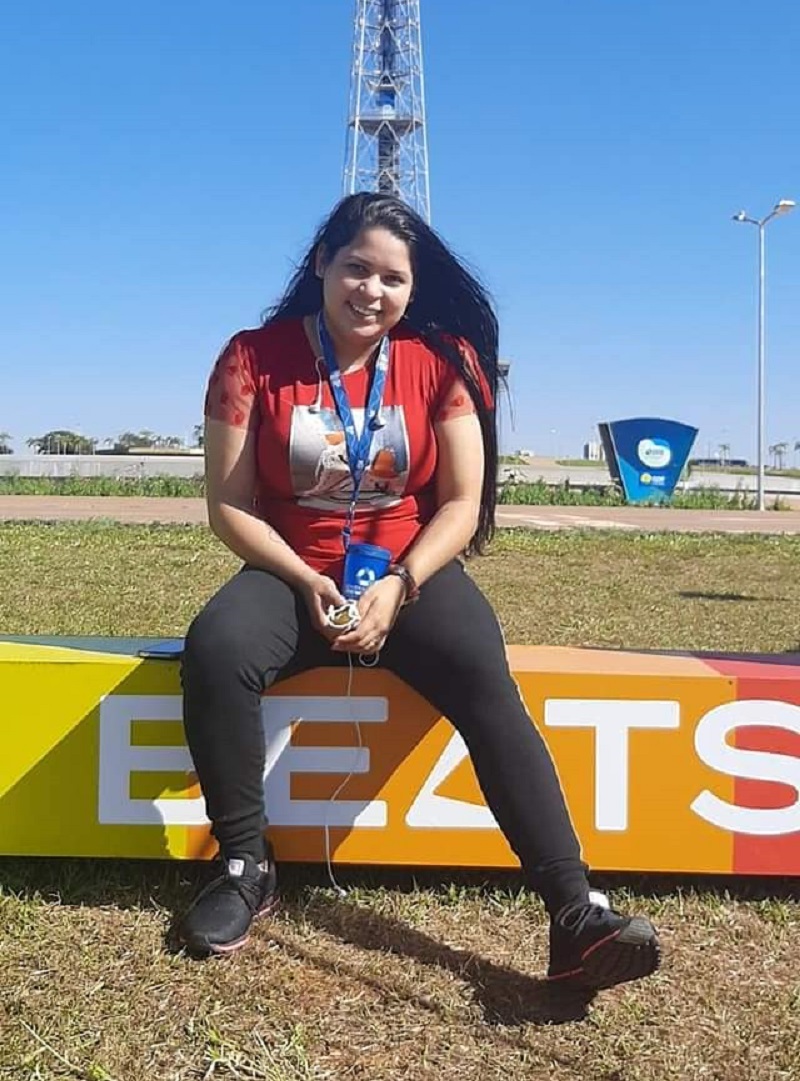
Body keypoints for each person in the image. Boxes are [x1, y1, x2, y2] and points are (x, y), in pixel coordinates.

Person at [178, 192, 661, 990]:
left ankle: (575, 913)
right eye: (357, 268)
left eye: (392, 279)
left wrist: (400, 583)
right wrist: (304, 581)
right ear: (323, 264)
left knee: (482, 671)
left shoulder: (442, 365)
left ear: (411, 289)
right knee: (218, 647)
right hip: (289, 571)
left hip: (410, 573)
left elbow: (463, 503)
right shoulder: (251, 357)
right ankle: (243, 867)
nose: (371, 290)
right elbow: (229, 505)